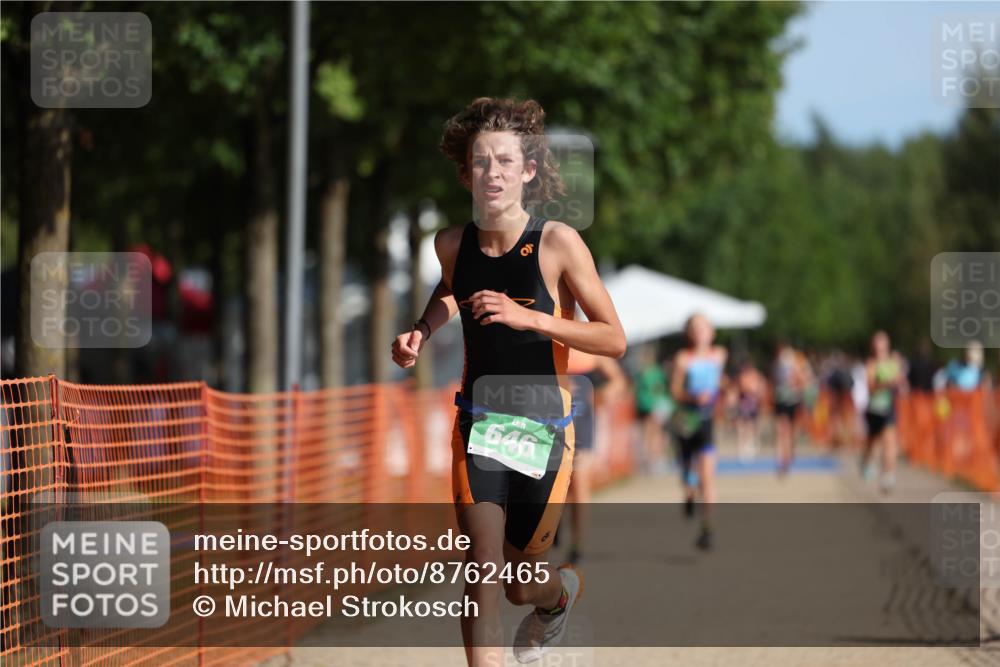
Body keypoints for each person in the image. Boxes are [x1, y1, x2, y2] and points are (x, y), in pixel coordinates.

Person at [391, 97, 626, 666]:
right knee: (481, 571)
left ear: (526, 171)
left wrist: (535, 318)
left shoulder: (558, 243)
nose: (491, 172)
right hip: (479, 425)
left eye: (504, 161)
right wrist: (420, 330)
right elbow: (452, 288)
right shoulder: (452, 244)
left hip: (547, 430)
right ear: (466, 171)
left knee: (522, 584)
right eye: (480, 161)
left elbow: (614, 338)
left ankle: (556, 598)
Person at [562, 347, 628, 564]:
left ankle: (577, 544)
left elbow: (618, 381)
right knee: (554, 484)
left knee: (580, 484)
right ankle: (553, 526)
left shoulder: (590, 350)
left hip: (581, 423)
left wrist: (601, 395)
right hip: (547, 423)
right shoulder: (545, 339)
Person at [669, 313, 727, 550]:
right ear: (689, 333)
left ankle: (707, 527)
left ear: (712, 332)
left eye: (705, 327)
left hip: (707, 420)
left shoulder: (720, 355)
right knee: (688, 473)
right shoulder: (683, 358)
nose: (701, 331)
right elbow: (674, 391)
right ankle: (689, 493)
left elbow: (720, 383)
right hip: (686, 419)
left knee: (707, 475)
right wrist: (692, 396)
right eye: (696, 328)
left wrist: (728, 392)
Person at [860, 331, 908, 494]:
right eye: (877, 343)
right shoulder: (871, 364)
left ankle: (888, 475)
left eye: (882, 343)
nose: (880, 346)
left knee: (890, 442)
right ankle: (866, 462)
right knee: (872, 442)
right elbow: (871, 388)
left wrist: (900, 383)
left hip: (889, 408)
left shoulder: (894, 362)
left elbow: (901, 382)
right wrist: (887, 383)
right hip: (874, 409)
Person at [771, 341, 810, 475]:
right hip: (781, 401)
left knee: (791, 430)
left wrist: (796, 380)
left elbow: (804, 381)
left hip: (793, 401)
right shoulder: (777, 366)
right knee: (782, 429)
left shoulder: (797, 366)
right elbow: (774, 381)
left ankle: (790, 452)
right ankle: (782, 458)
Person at [634, 347, 672, 473]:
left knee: (654, 433)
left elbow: (659, 388)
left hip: (651, 406)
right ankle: (650, 460)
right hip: (646, 405)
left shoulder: (653, 372)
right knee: (650, 434)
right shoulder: (645, 372)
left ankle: (654, 460)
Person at [734, 358, 766, 461]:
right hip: (745, 402)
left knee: (752, 424)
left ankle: (751, 444)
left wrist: (756, 391)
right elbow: (743, 387)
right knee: (743, 424)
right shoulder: (743, 376)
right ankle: (743, 446)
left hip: (753, 403)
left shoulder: (755, 375)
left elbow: (759, 387)